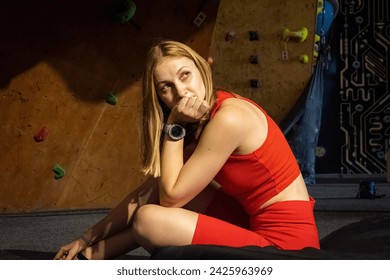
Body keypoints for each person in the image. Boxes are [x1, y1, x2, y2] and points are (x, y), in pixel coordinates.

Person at [54, 40, 320, 260]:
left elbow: (171, 200)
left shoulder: (228, 119)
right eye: (166, 87)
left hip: (288, 247)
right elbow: (151, 191)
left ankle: (92, 256)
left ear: (204, 67)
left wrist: (174, 125)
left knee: (150, 219)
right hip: (253, 222)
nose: (181, 91)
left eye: (185, 75)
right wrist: (86, 239)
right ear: (159, 97)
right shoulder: (209, 114)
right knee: (155, 194)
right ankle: (86, 258)